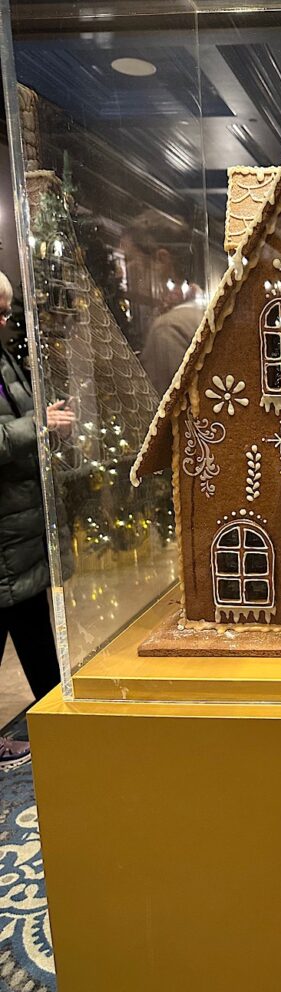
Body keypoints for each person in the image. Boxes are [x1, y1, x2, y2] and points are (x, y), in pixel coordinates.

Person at [0, 271, 75, 762]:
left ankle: (62, 726)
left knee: (33, 628)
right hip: (7, 534)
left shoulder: (6, 356)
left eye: (7, 309)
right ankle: (61, 726)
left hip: (18, 528)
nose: (6, 319)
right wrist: (37, 424)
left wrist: (49, 423)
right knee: (27, 627)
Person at [122, 210, 205, 395]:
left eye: (130, 259)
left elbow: (170, 405)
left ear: (161, 259)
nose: (125, 268)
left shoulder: (168, 328)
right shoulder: (199, 310)